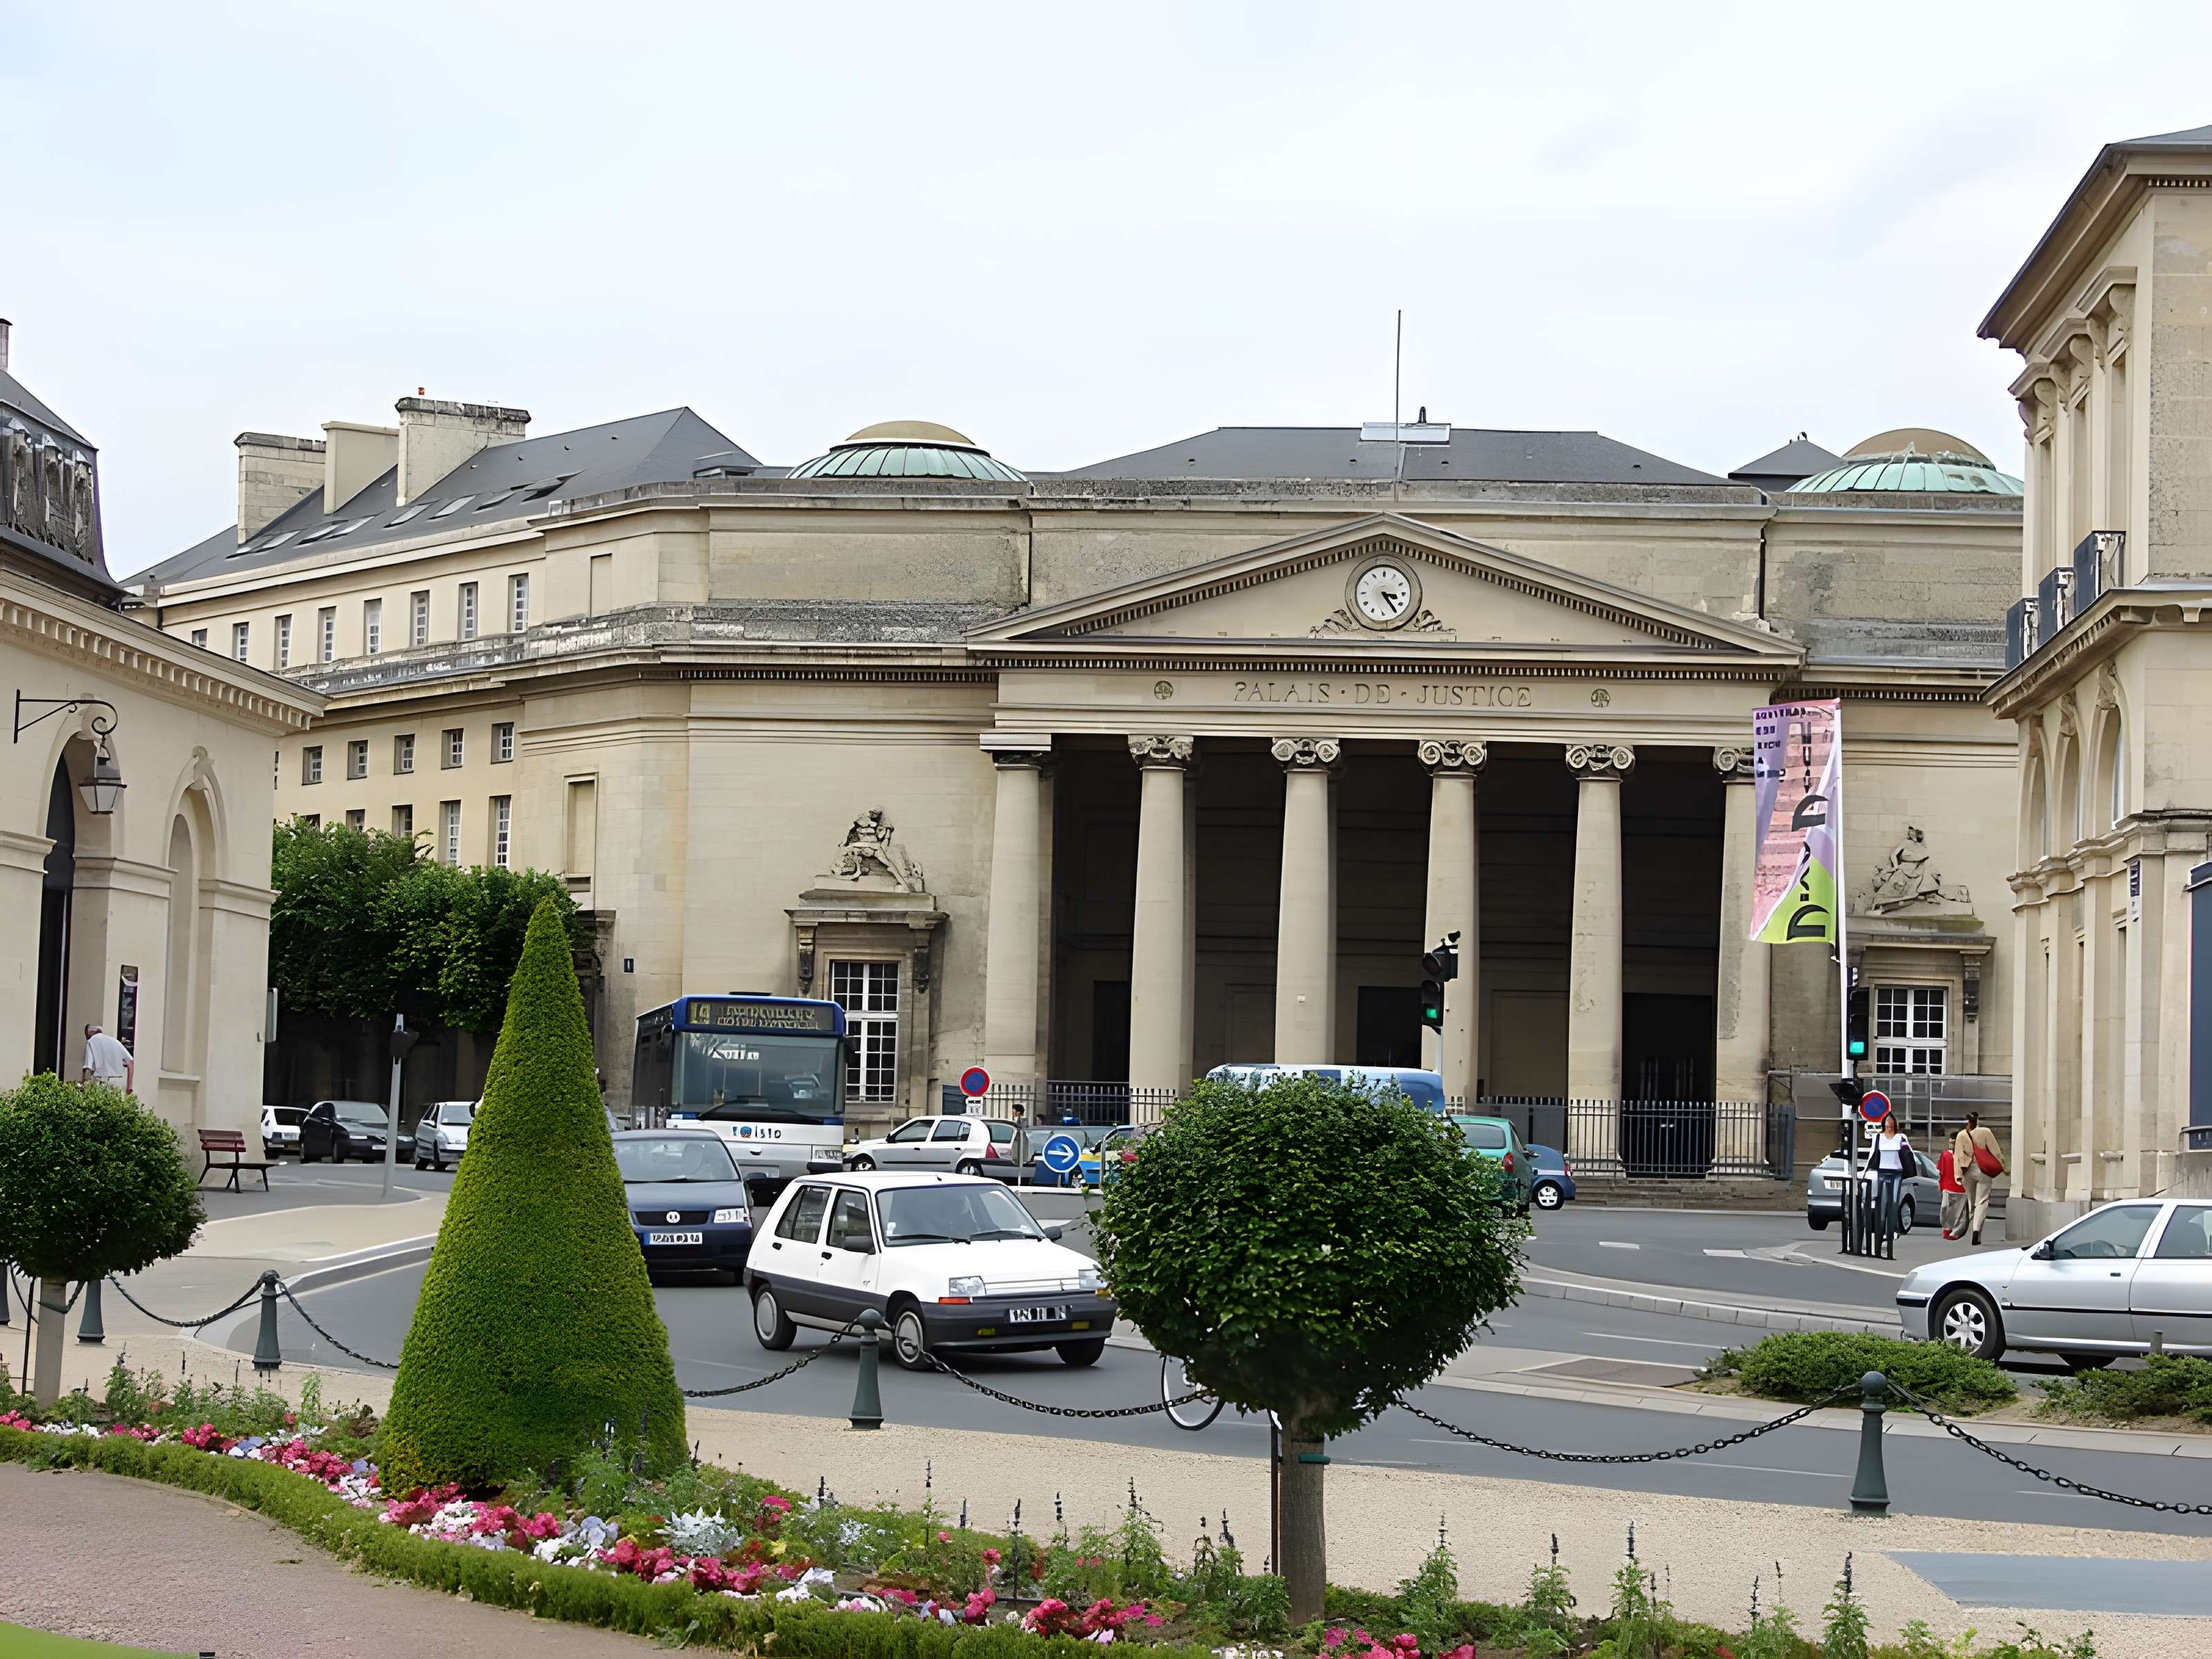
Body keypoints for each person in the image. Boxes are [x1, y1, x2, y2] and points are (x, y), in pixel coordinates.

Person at [1953, 1112, 2007, 1246]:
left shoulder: (1961, 1135)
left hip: (1967, 1171)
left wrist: (1958, 1175)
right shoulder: (1986, 1132)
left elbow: (1957, 1157)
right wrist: (2000, 1164)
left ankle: (1972, 1228)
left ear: (1967, 1122)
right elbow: (1996, 1152)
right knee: (1982, 1201)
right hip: (1984, 1170)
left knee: (1971, 1203)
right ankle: (1977, 1231)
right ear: (1978, 1121)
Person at [1871, 1122, 1912, 1237]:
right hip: (1882, 1172)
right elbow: (1873, 1154)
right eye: (1887, 1126)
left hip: (1897, 1173)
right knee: (1882, 1202)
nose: (1889, 1128)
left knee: (1894, 1202)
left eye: (1891, 1126)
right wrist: (1866, 1171)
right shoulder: (1878, 1137)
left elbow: (1909, 1154)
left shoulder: (1901, 1137)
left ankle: (1892, 1230)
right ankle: (1882, 1230)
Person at [80, 1023, 133, 1095]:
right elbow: (130, 1062)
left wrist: (84, 1086)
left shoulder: (91, 1042)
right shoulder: (115, 1041)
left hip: (103, 1081)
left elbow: (88, 1067)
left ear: (88, 1035)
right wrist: (129, 1087)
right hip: (119, 1082)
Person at [1937, 1144, 1967, 1239]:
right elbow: (1940, 1171)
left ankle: (1953, 1230)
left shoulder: (1964, 1155)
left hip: (1961, 1188)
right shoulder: (1945, 1155)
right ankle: (1947, 1227)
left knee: (1958, 1211)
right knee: (1945, 1206)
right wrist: (1940, 1183)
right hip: (1947, 1186)